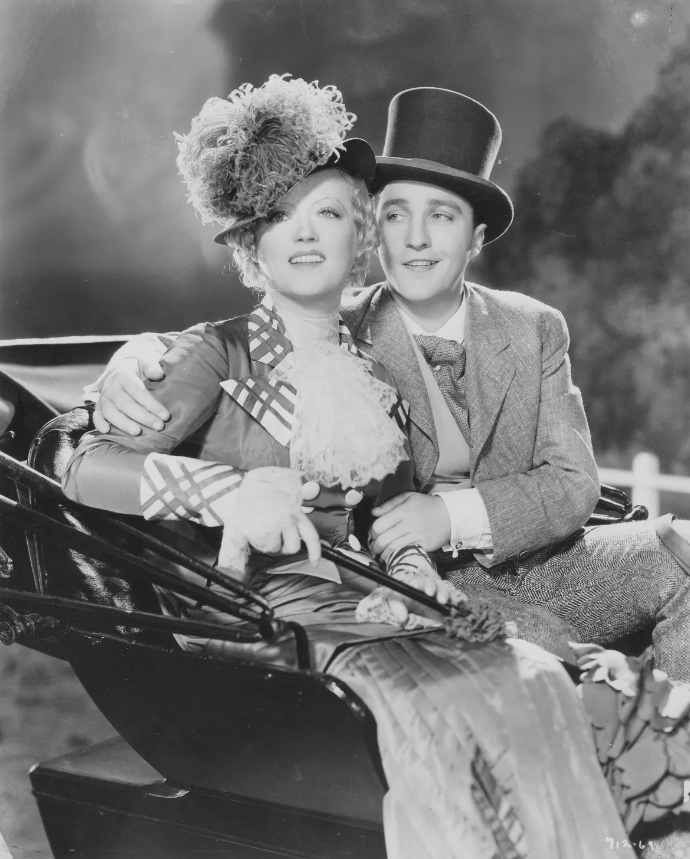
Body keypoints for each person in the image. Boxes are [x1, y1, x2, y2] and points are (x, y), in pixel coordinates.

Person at [60, 73, 674, 859]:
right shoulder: (220, 353)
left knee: (535, 680)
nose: (304, 234)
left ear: (358, 234)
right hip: (257, 620)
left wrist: (414, 569)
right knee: (452, 711)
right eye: (278, 218)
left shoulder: (368, 370)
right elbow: (86, 467)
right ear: (251, 246)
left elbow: (384, 514)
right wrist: (225, 491)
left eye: (326, 213)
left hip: (366, 601)